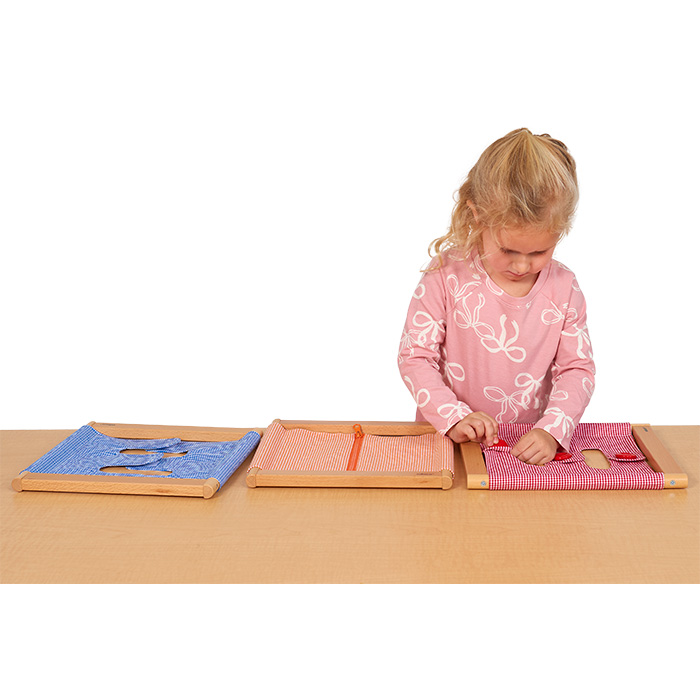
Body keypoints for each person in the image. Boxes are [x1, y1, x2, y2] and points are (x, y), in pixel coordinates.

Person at [398, 128, 595, 465]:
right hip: (446, 446)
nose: (522, 265)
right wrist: (453, 417)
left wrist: (551, 431)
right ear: (478, 216)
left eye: (539, 251)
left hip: (525, 453)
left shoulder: (564, 287)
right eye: (508, 250)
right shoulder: (445, 274)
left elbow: (577, 369)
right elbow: (415, 357)